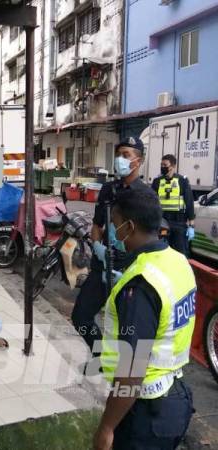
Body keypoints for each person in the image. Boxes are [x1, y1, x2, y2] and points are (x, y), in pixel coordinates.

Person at [92, 189, 195, 450]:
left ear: (130, 226)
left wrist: (106, 427)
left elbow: (132, 369)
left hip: (144, 410)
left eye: (115, 226)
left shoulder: (141, 283)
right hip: (175, 396)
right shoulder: (178, 261)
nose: (113, 234)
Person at [72, 136, 151, 352]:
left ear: (139, 161)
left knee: (128, 328)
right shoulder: (108, 190)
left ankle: (125, 373)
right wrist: (97, 247)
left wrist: (130, 268)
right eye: (118, 155)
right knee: (81, 316)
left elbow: (150, 240)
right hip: (103, 263)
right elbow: (97, 225)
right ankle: (100, 356)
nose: (120, 160)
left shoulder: (146, 195)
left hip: (129, 269)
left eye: (126, 155)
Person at [151, 154, 195, 256]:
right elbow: (151, 202)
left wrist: (191, 225)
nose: (162, 167)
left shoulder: (182, 181)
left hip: (179, 223)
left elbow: (189, 202)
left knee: (180, 254)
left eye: (165, 165)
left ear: (173, 166)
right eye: (161, 165)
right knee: (161, 253)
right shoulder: (157, 181)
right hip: (162, 222)